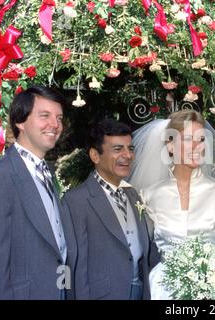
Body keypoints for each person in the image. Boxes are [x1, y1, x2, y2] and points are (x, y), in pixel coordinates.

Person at [128, 109, 215, 299]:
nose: (197, 147)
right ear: (171, 146)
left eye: (201, 140)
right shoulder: (149, 196)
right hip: (163, 290)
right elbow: (140, 249)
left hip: (213, 290)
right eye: (188, 139)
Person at [0, 86, 77, 299]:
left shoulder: (47, 171)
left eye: (59, 117)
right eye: (45, 116)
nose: (55, 125)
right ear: (20, 121)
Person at [63, 119, 160, 299]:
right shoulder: (76, 201)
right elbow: (75, 265)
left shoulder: (133, 195)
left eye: (130, 149)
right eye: (117, 149)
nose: (127, 155)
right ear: (95, 155)